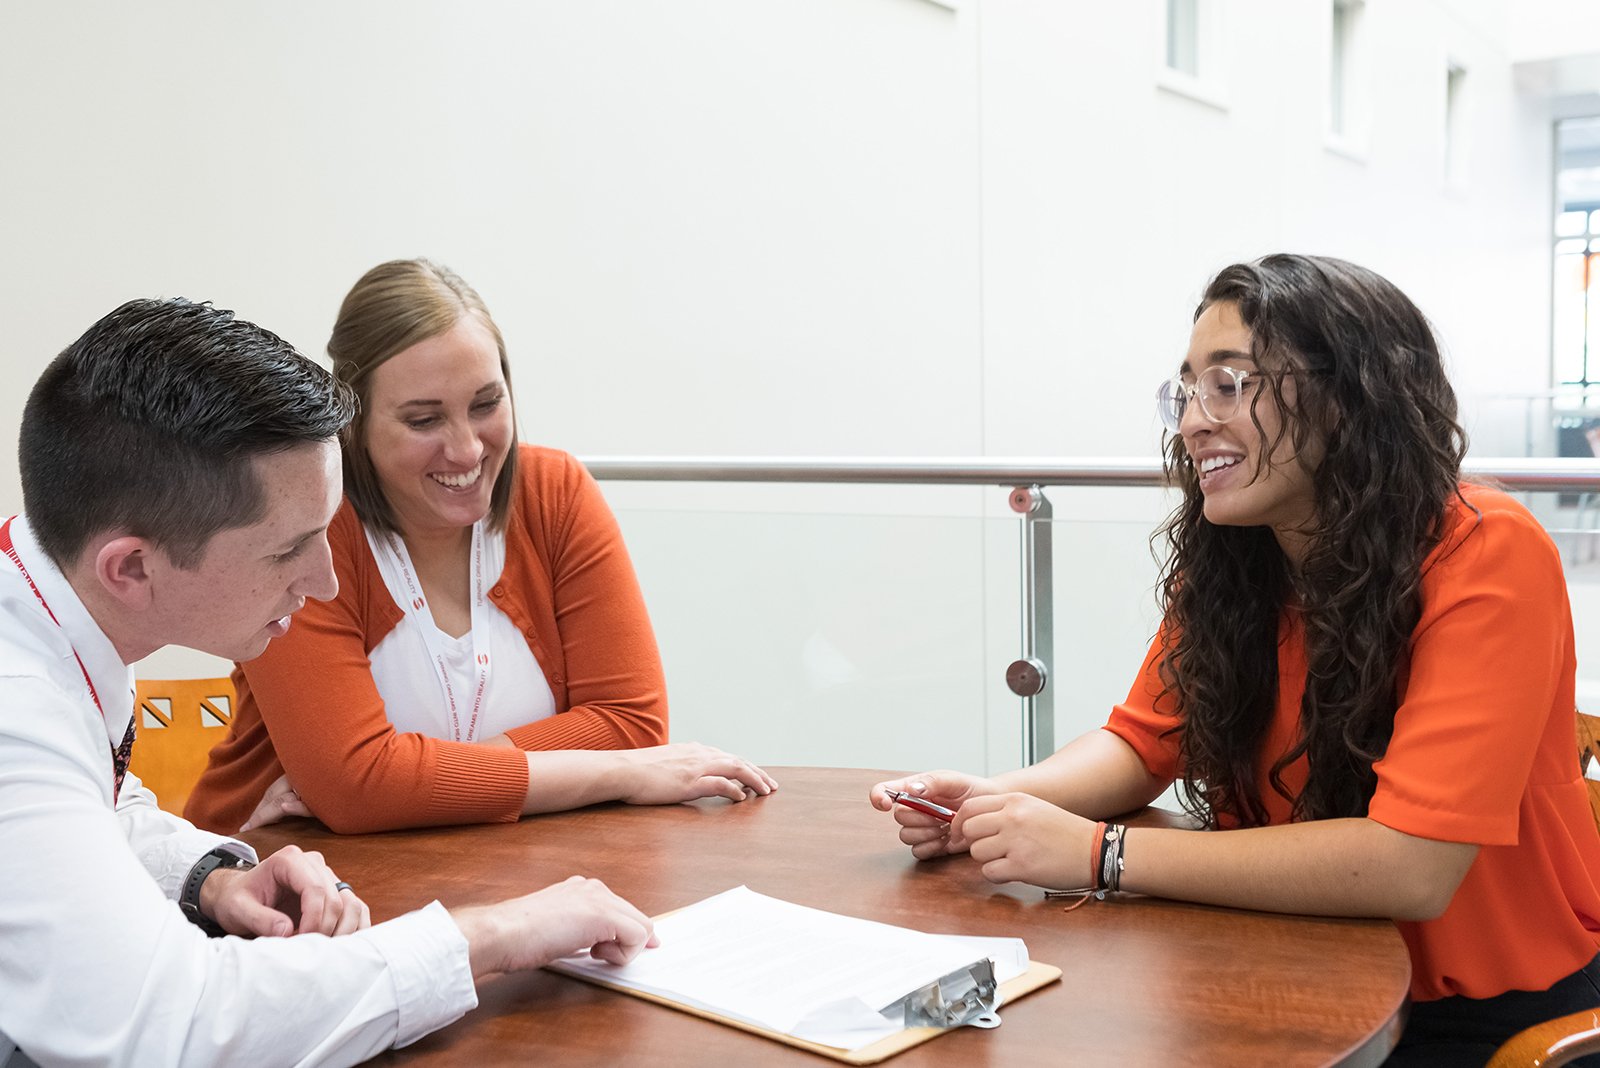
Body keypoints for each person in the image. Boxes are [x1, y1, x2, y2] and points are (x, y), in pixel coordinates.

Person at [870, 254, 1600, 1065]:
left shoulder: (1487, 548)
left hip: (1480, 1017)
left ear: (1349, 396)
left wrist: (1100, 855)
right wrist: (992, 801)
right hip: (1284, 959)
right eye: (1186, 391)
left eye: (1228, 384)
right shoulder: (1237, 556)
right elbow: (1141, 743)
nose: (1190, 422)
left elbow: (1411, 864)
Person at [1, 298, 658, 1066]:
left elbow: (99, 811)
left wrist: (206, 876)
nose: (324, 580)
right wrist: (488, 935)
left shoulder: (58, 608)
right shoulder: (16, 710)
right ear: (133, 567)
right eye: (291, 551)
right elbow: (171, 1029)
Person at [184, 259, 774, 836]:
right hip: (272, 886)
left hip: (505, 877)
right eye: (423, 421)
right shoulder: (307, 528)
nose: (467, 451)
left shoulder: (554, 493)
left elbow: (633, 723)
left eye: (486, 404)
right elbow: (355, 786)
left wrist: (413, 773)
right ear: (354, 422)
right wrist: (612, 770)